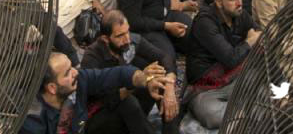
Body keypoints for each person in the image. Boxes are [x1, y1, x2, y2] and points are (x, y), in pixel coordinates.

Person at [19, 49, 176, 134]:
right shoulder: (32, 121)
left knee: (127, 103)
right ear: (52, 88)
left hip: (83, 127)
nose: (75, 72)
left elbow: (117, 74)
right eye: (67, 73)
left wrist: (144, 79)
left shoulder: (79, 79)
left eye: (71, 67)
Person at [77, 13, 182, 134]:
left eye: (127, 31)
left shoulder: (131, 41)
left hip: (130, 107)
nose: (127, 39)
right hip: (101, 116)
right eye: (120, 36)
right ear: (105, 39)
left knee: (159, 79)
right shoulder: (92, 58)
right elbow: (104, 100)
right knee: (128, 101)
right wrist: (139, 81)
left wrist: (169, 86)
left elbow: (164, 56)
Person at [182, 0, 257, 129]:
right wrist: (250, 41)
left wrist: (254, 35)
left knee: (263, 79)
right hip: (207, 87)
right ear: (218, 2)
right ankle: (246, 114)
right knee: (210, 114)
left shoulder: (238, 12)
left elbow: (259, 33)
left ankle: (244, 111)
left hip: (233, 78)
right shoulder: (205, 22)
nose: (239, 2)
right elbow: (230, 58)